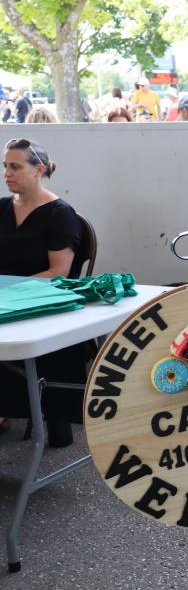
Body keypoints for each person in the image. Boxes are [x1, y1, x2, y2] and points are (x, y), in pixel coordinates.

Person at [0, 138, 83, 447]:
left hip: (43, 303)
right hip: (7, 298)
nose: (7, 173)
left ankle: (53, 416)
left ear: (38, 170)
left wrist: (9, 293)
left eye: (15, 167)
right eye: (5, 166)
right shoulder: (2, 208)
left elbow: (57, 273)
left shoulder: (59, 213)